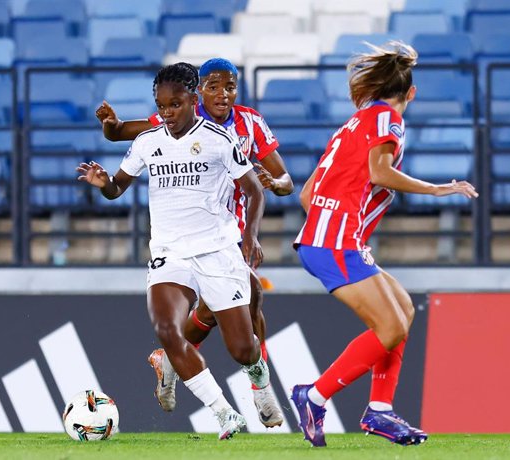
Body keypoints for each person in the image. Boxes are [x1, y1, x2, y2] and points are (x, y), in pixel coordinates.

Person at [290, 42, 478, 447]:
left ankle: (379, 411)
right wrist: (436, 189)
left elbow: (308, 195)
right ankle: (315, 396)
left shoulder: (354, 123)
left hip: (331, 238)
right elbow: (381, 171)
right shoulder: (388, 119)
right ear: (411, 93)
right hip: (335, 241)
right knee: (390, 327)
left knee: (403, 311)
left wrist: (338, 225)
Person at [78, 62, 275, 440]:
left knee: (242, 349)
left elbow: (253, 190)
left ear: (193, 100)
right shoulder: (149, 141)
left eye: (175, 104)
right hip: (170, 252)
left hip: (217, 250)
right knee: (168, 330)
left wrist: (249, 236)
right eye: (162, 106)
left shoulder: (219, 139)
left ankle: (257, 373)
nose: (167, 113)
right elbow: (118, 187)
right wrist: (103, 183)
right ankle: (224, 414)